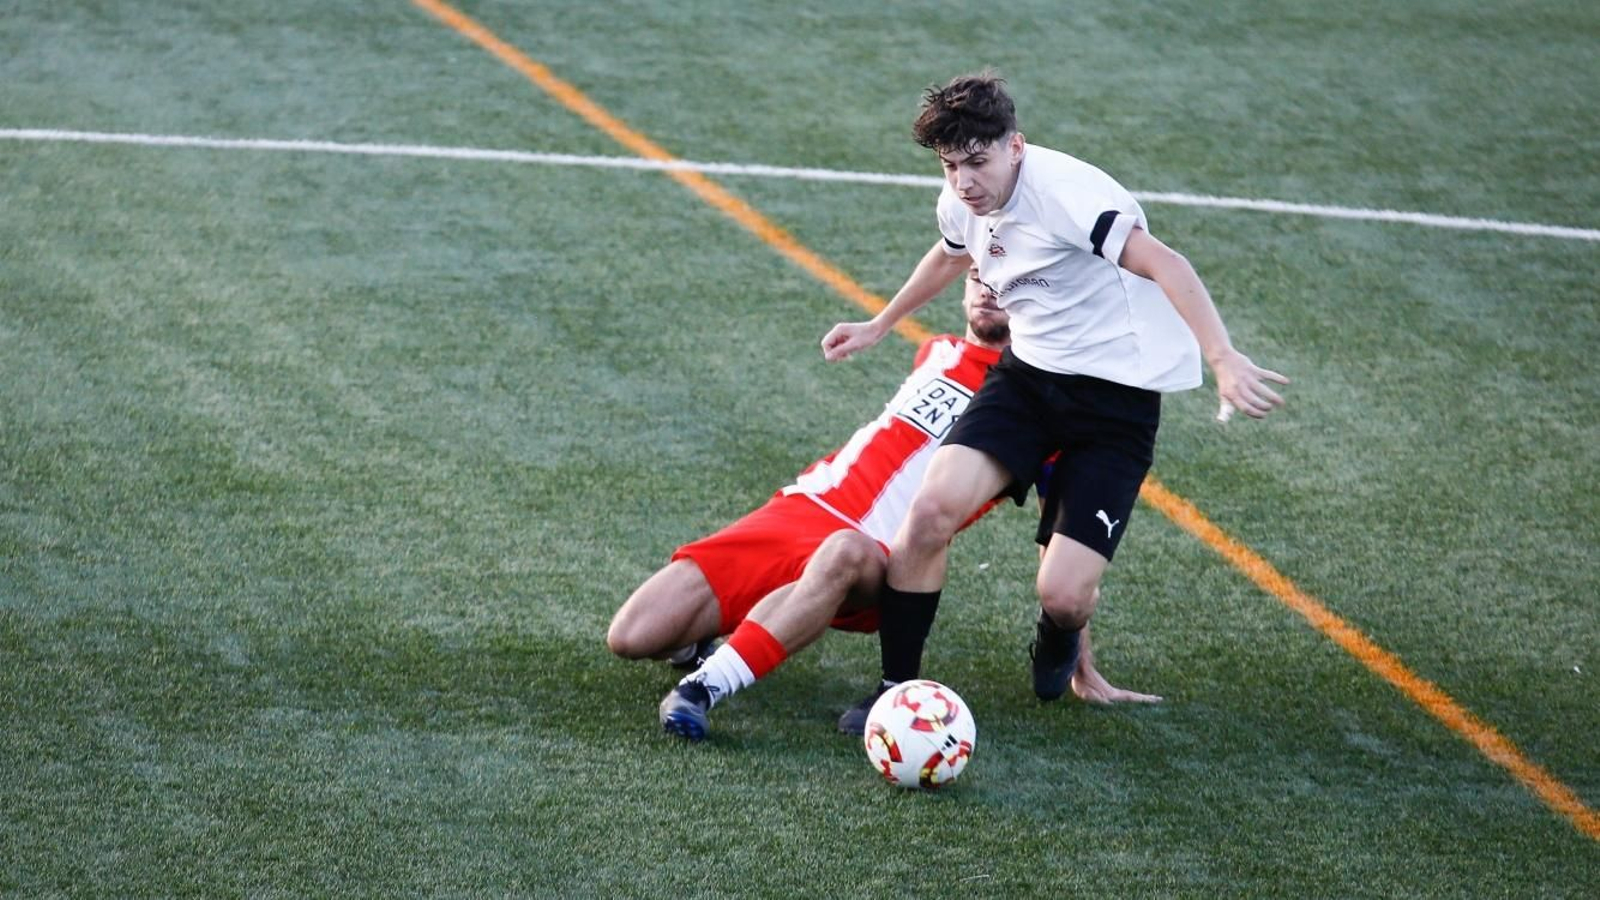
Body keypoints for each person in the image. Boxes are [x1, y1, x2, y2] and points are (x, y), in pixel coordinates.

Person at [821, 71, 1288, 727]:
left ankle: (1058, 631)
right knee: (930, 511)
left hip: (1115, 404)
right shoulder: (964, 198)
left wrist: (1223, 357)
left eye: (976, 162)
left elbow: (1167, 264)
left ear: (1016, 146)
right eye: (950, 165)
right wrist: (880, 323)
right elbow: (952, 252)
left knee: (1066, 595)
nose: (963, 181)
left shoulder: (1068, 194)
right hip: (1028, 381)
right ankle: (896, 688)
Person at [608, 269, 1160, 742]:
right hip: (798, 509)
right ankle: (714, 639)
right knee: (631, 637)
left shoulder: (1037, 412)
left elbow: (1059, 538)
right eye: (978, 279)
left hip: (877, 555)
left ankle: (702, 689)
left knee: (843, 552)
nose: (989, 291)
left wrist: (1077, 653)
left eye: (1007, 286)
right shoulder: (937, 349)